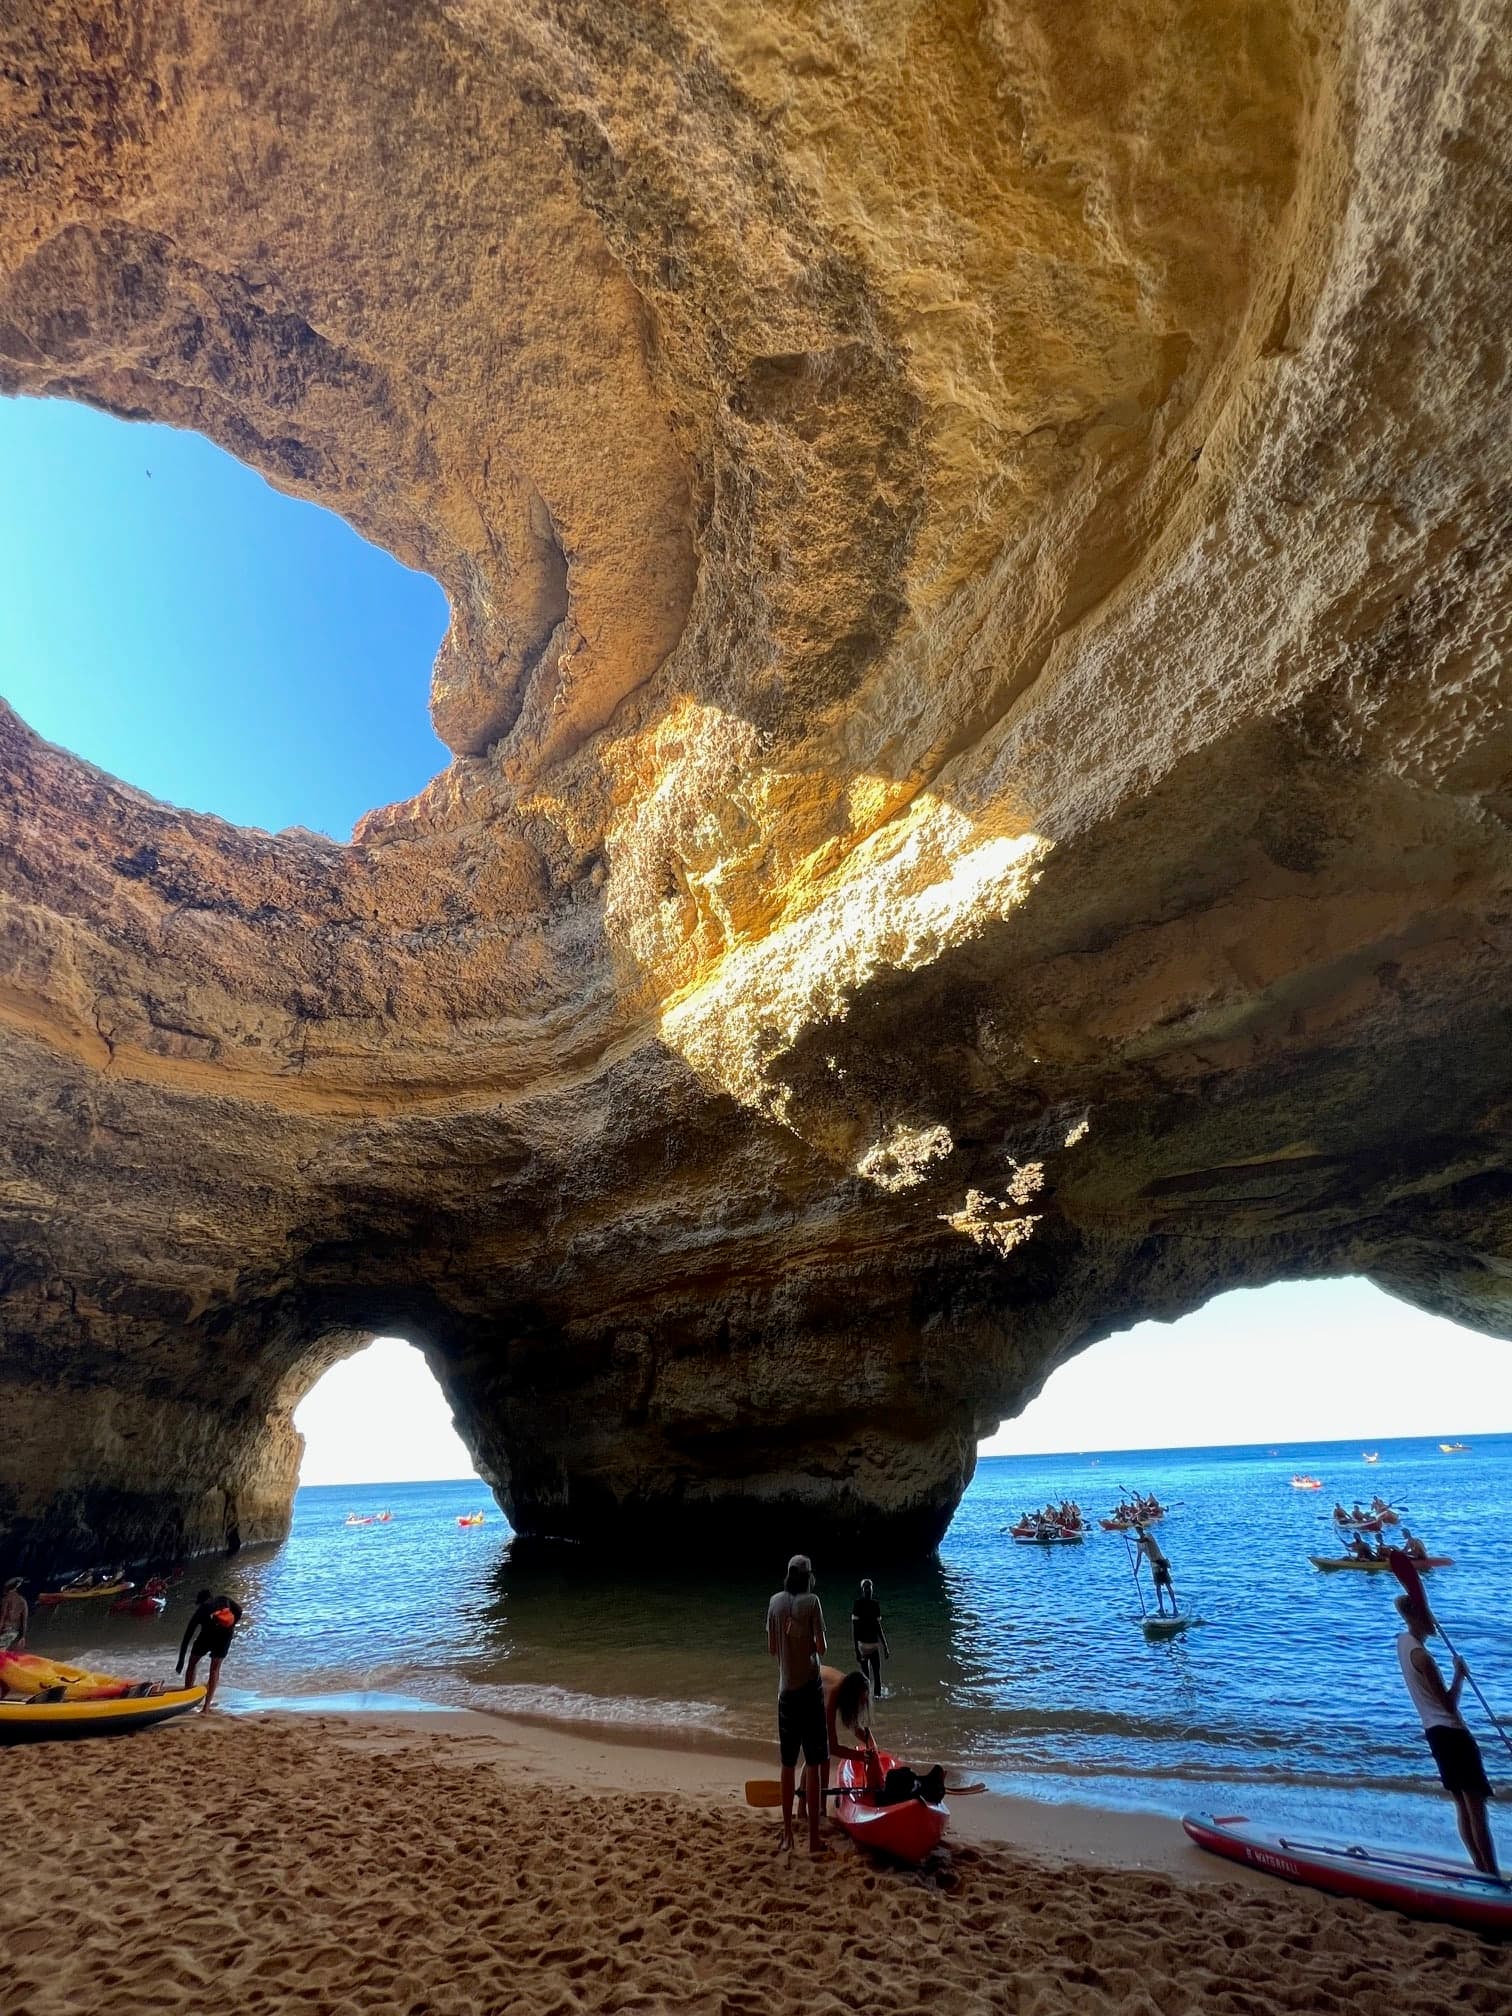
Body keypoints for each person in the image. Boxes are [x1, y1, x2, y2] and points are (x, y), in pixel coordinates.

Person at [1394, 1591, 1500, 1877]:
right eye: (1430, 1616)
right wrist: (1459, 1674)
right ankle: (1491, 1873)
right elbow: (1449, 1704)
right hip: (1453, 1734)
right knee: (1476, 1808)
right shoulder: (1423, 1658)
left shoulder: (1403, 1643)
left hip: (1434, 1734)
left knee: (1462, 1804)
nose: (1435, 1622)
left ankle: (1481, 1868)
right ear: (1418, 1617)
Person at [766, 1554, 826, 1853]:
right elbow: (822, 1648)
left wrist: (790, 1644)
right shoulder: (812, 1602)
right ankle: (814, 1838)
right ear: (808, 1576)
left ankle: (788, 1834)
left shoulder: (774, 1602)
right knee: (814, 1764)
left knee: (788, 1764)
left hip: (785, 1692)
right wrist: (804, 1640)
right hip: (810, 1691)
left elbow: (772, 1648)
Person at [178, 1588, 243, 1713]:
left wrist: (180, 1661)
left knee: (192, 1664)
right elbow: (239, 1610)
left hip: (206, 1637)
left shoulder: (201, 1610)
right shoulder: (225, 1600)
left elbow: (188, 1635)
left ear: (201, 1601)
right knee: (214, 1669)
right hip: (225, 1637)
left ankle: (187, 1700)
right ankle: (206, 1707)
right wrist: (231, 1626)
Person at [851, 1579, 890, 1700]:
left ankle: (867, 1700)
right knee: (876, 1675)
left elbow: (855, 1629)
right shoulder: (874, 1604)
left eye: (869, 1588)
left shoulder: (858, 1604)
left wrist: (856, 1649)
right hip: (872, 1644)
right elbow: (878, 1628)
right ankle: (877, 1698)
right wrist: (885, 1647)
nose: (869, 1590)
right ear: (865, 1590)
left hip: (863, 1645)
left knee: (866, 1677)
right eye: (868, 1588)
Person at [1135, 1524, 1177, 1614]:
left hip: (1161, 1562)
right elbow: (1139, 1557)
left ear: (1142, 1529)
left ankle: (1175, 1607)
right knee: (1158, 1587)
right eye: (1137, 1530)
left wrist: (1129, 1539)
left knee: (1167, 1585)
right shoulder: (1139, 1544)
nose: (1139, 1531)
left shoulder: (1148, 1536)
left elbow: (1143, 1540)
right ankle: (1161, 1608)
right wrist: (1136, 1570)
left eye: (1139, 1529)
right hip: (1153, 1565)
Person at [0, 1576, 27, 1651]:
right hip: (14, 1632)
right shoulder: (22, 1601)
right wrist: (23, 1637)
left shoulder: (6, 1599)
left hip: (5, 1630)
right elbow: (24, 1621)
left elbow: (2, 1617)